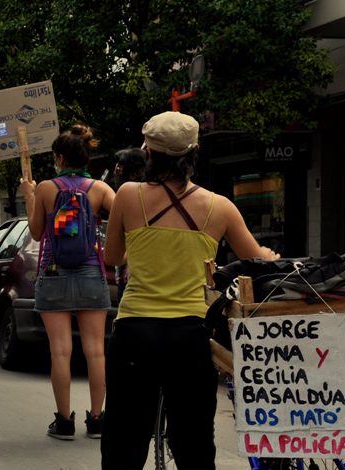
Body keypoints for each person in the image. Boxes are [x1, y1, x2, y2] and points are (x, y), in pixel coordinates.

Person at [101, 111, 278, 469]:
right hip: (190, 335)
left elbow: (114, 257)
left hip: (135, 332)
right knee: (195, 444)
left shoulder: (128, 195)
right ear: (194, 153)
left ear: (149, 154)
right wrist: (270, 254)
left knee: (124, 442)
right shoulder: (219, 207)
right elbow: (258, 261)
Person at [19, 125, 115, 440]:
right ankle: (98, 420)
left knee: (61, 352)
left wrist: (31, 196)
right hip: (91, 273)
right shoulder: (100, 190)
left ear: (60, 158)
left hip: (53, 273)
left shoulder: (47, 188)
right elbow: (123, 219)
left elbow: (35, 233)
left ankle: (63, 422)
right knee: (96, 351)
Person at [110, 147, 147, 302]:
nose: (116, 173)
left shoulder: (131, 200)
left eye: (120, 169)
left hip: (136, 281)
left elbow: (113, 257)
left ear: (133, 174)